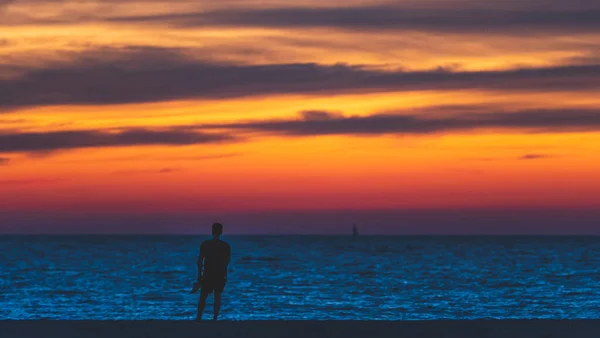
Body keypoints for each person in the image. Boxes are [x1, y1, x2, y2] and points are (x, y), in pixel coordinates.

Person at [192, 222, 231, 321]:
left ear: (212, 231)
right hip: (219, 275)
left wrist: (199, 275)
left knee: (203, 297)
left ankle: (199, 317)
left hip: (207, 274)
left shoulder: (205, 244)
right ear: (221, 232)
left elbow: (200, 261)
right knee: (217, 297)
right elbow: (226, 262)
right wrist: (225, 275)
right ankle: (214, 318)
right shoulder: (225, 246)